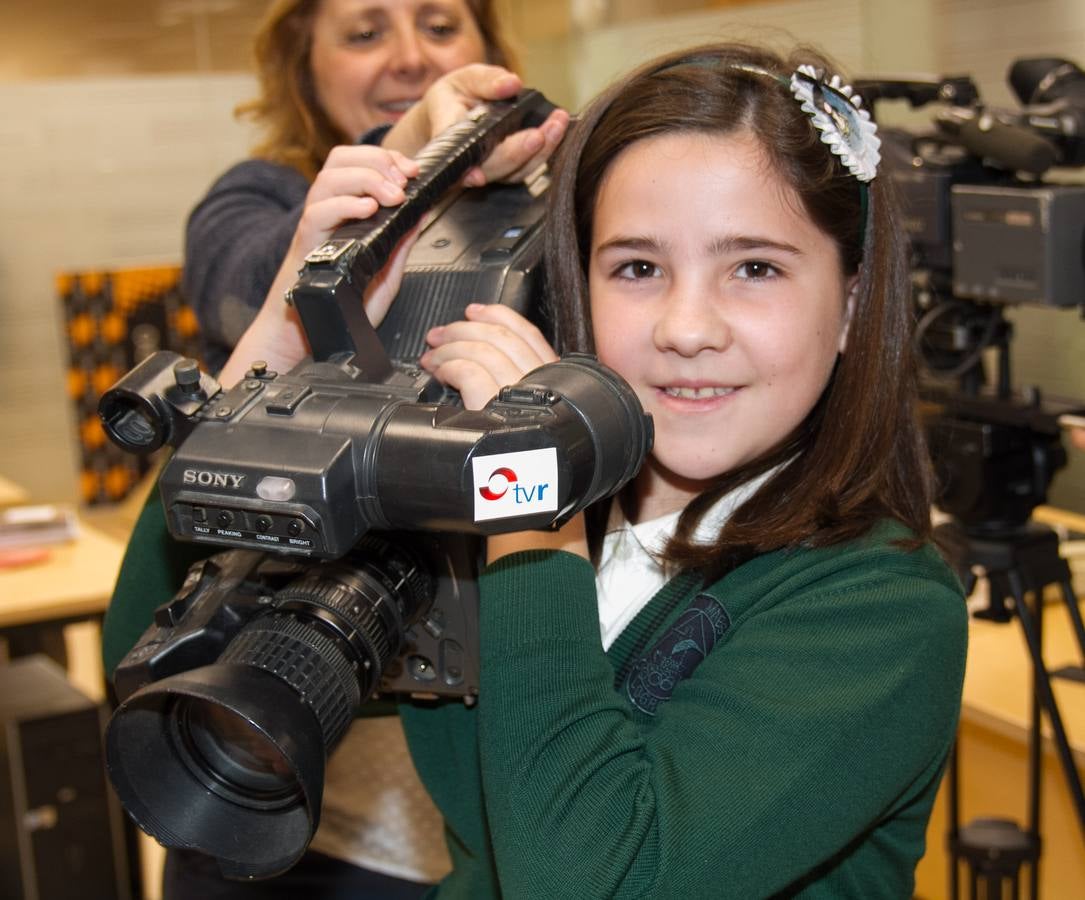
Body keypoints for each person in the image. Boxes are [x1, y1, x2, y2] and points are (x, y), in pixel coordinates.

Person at [109, 39, 969, 898]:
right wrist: (279, 342)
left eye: (754, 268)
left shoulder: (879, 603)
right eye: (637, 267)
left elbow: (592, 876)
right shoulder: (487, 516)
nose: (687, 326)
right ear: (572, 289)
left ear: (852, 304)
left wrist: (529, 501)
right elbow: (160, 669)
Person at [184, 0, 567, 374]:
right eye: (365, 35)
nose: (411, 59)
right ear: (303, 68)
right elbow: (243, 304)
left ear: (488, 46)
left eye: (440, 28)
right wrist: (415, 144)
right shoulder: (255, 191)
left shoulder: (545, 193)